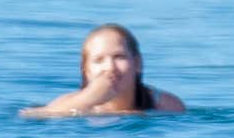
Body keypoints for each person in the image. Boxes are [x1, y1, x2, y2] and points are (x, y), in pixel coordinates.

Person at [28, 23, 185, 117]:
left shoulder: (166, 105)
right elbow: (31, 115)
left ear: (138, 63)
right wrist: (87, 99)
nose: (110, 68)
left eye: (119, 57)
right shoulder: (69, 105)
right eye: (98, 60)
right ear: (86, 71)